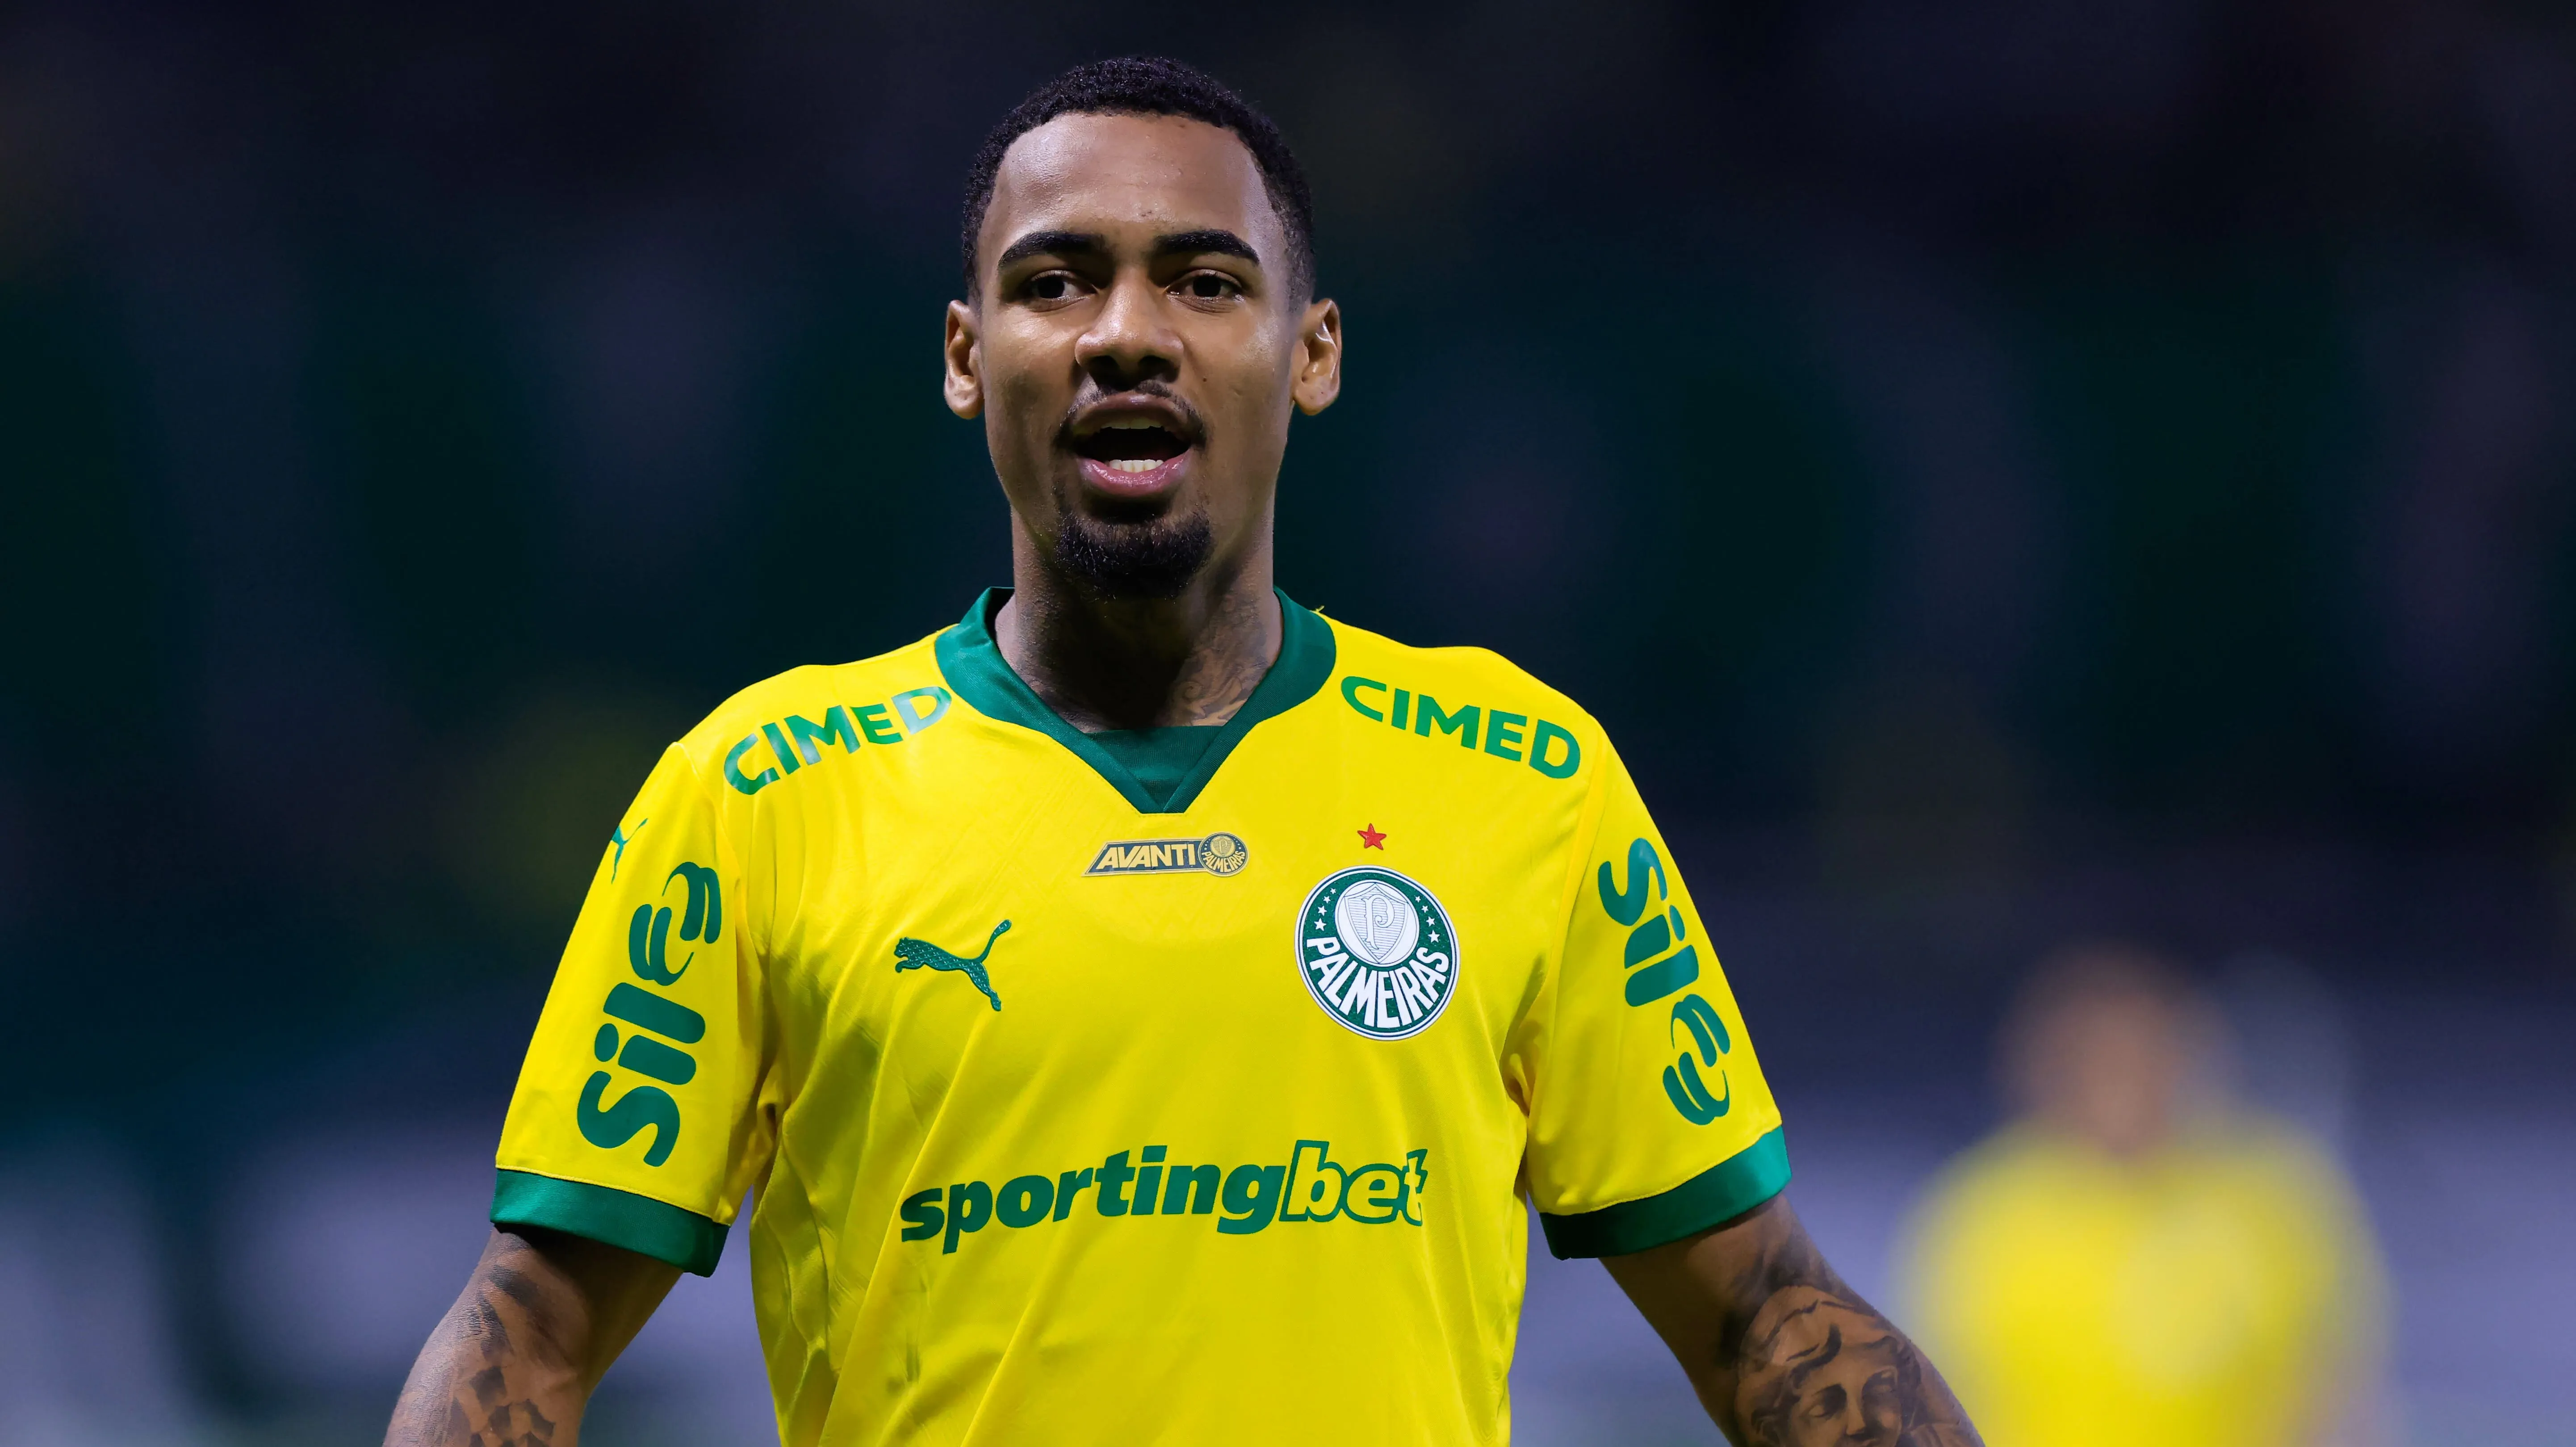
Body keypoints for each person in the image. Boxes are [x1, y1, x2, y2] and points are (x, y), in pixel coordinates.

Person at [385, 56, 1980, 1447]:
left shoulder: (1522, 777)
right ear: (964, 355)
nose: (1125, 333)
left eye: (1205, 281)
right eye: (1057, 279)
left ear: (1314, 351)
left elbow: (1763, 1313)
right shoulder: (760, 793)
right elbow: (528, 1331)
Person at [1895, 944, 2387, 1447]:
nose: (2126, 1084)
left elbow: (2333, 1390)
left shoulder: (2274, 1199)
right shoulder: (1985, 1212)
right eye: (2100, 1061)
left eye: (2144, 1055)